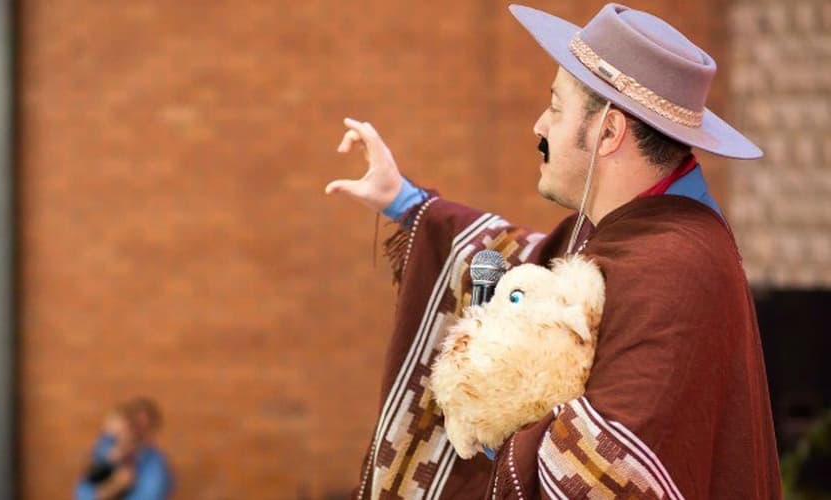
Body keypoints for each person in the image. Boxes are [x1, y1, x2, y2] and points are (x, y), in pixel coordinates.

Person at [325, 3, 781, 499]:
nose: (539, 127)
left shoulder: (676, 269)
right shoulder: (631, 232)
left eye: (556, 108)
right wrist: (405, 201)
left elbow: (609, 472)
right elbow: (529, 270)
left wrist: (497, 429)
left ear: (608, 132)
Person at [75, 398, 173, 500]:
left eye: (143, 427)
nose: (136, 431)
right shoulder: (106, 449)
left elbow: (149, 495)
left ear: (152, 433)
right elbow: (82, 493)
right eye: (132, 423)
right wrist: (113, 487)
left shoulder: (156, 468)